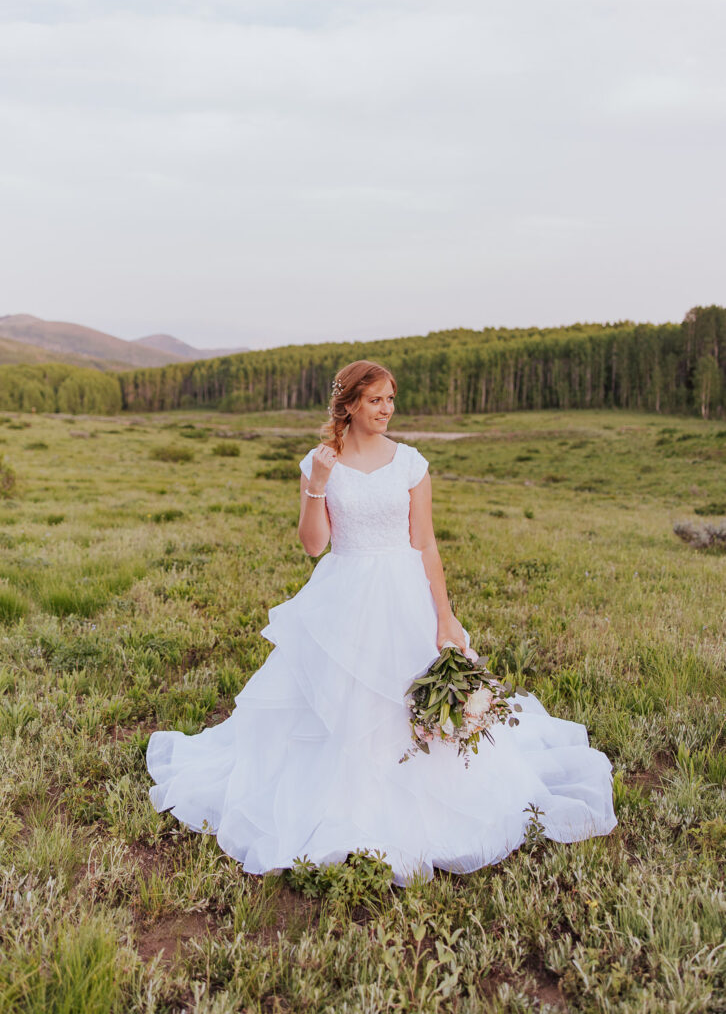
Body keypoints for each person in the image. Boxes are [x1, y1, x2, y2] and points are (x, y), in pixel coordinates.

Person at [146, 360, 617, 885]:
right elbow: (313, 545)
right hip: (342, 597)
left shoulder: (411, 463)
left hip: (403, 597)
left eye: (391, 399)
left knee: (407, 704)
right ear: (348, 405)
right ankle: (340, 806)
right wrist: (318, 485)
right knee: (337, 707)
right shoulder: (319, 462)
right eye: (375, 400)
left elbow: (425, 543)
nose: (387, 409)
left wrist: (445, 616)